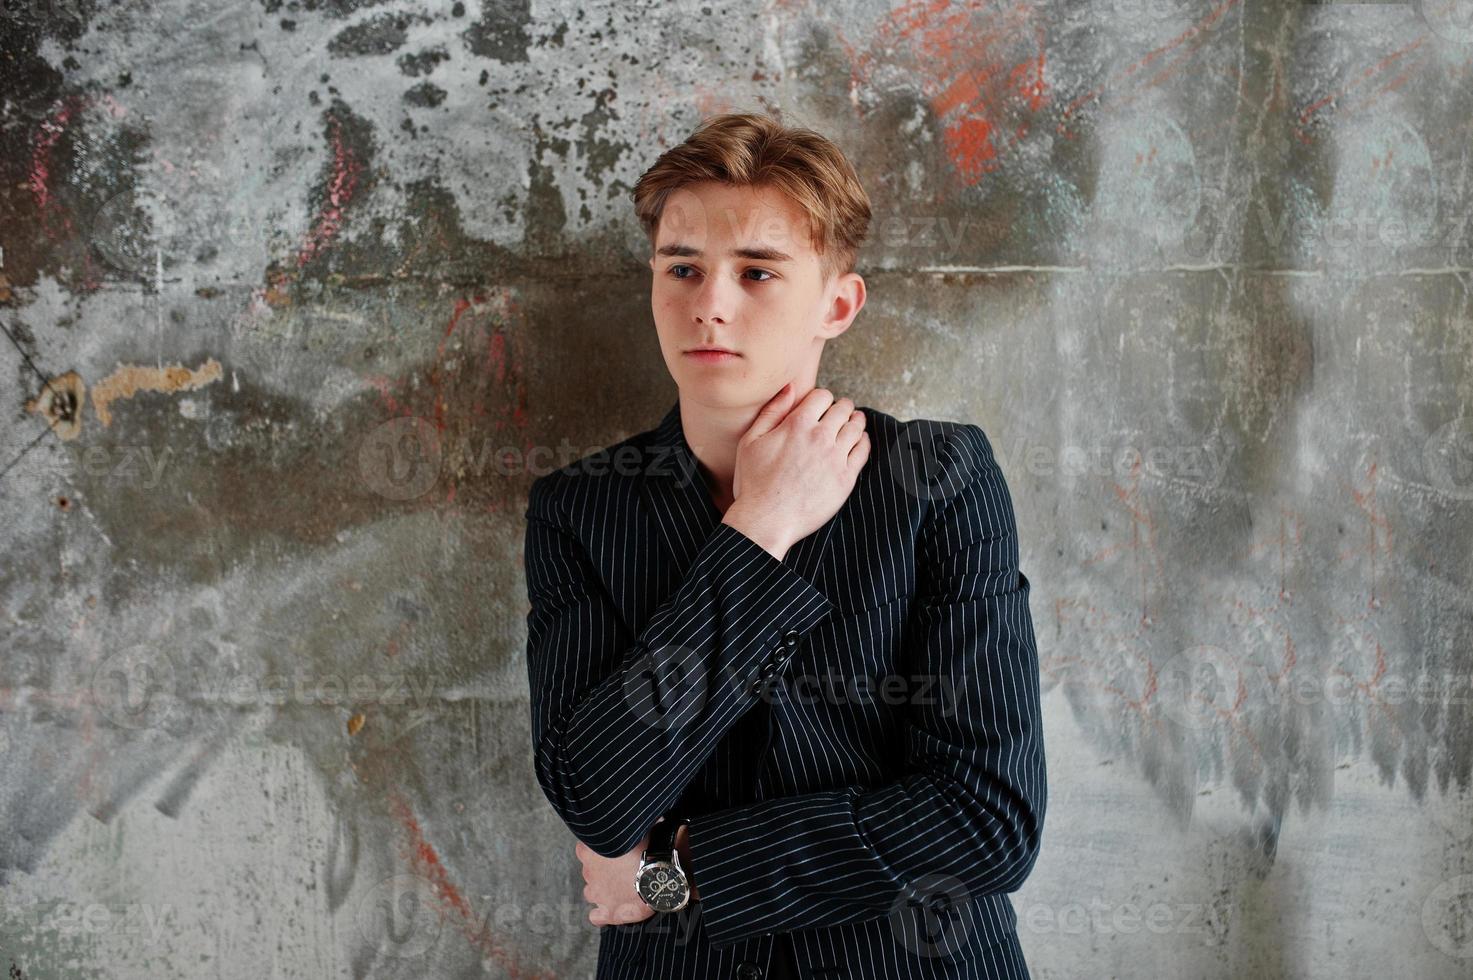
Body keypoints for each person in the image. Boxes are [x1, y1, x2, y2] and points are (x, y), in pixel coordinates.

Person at [524, 110, 1046, 979]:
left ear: (836, 304)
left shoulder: (937, 479)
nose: (709, 306)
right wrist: (758, 528)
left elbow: (986, 820)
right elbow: (599, 799)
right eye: (681, 268)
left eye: (757, 272)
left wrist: (682, 871)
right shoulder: (580, 508)